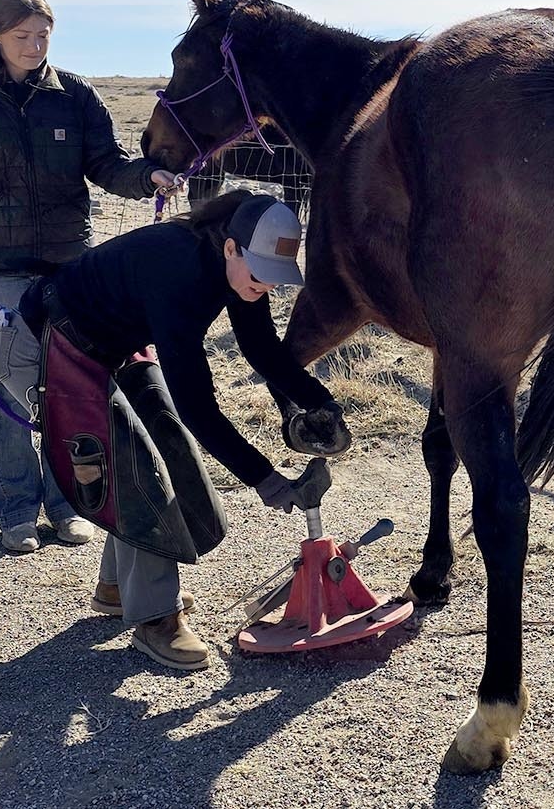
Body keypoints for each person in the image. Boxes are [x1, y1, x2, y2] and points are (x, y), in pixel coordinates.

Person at [17, 189, 339, 670]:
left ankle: (114, 589)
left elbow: (262, 347)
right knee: (138, 469)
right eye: (259, 275)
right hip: (54, 341)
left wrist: (321, 403)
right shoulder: (180, 272)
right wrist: (263, 477)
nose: (264, 287)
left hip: (113, 344)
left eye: (275, 280)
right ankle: (155, 619)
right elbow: (196, 404)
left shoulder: (238, 269)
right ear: (231, 248)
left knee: (166, 448)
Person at [0, 0, 183, 553]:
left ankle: (70, 505)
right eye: (22, 36)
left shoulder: (74, 96)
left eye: (43, 36)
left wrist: (144, 178)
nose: (35, 46)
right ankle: (14, 508)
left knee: (71, 386)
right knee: (11, 390)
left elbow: (104, 164)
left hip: (70, 267)